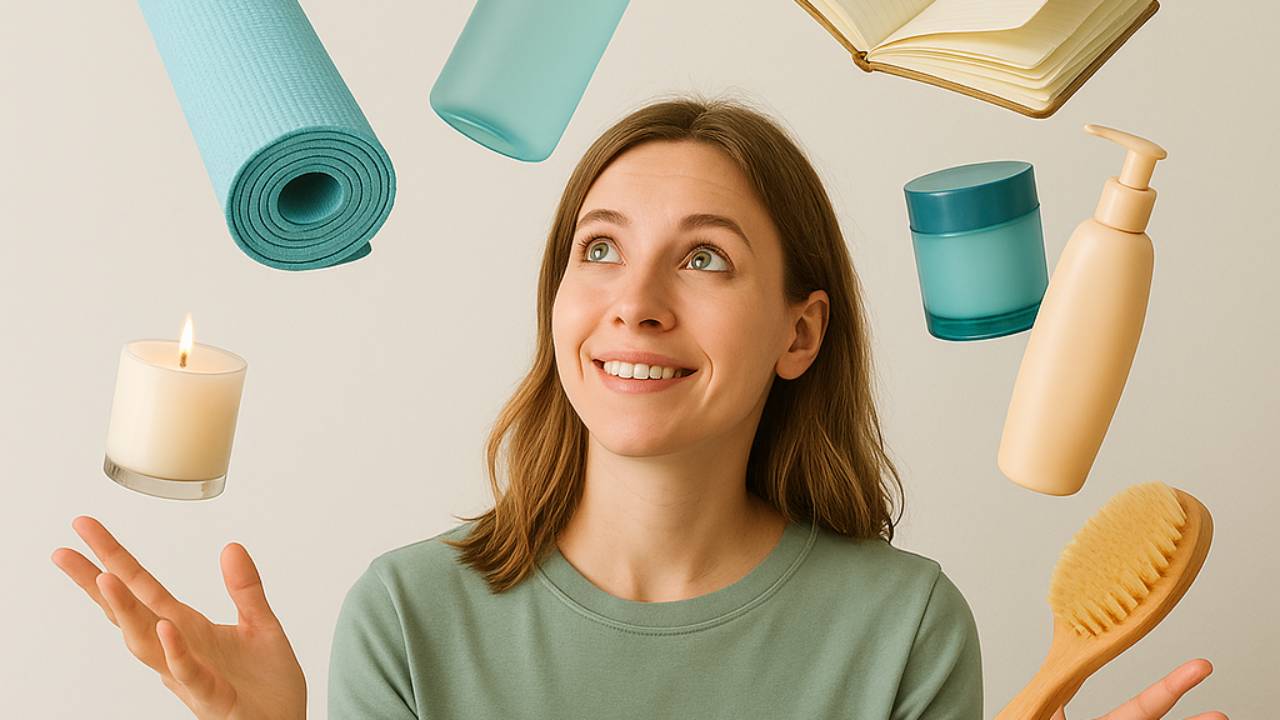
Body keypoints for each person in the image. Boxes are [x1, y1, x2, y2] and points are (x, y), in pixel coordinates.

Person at [52, 96, 1227, 720]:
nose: (635, 304)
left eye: (704, 260)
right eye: (598, 250)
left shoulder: (902, 630)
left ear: (798, 334)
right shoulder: (409, 616)